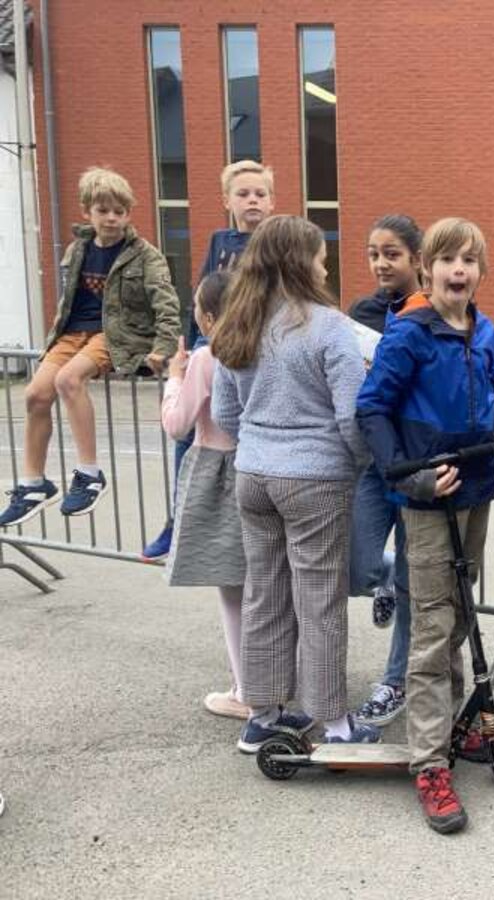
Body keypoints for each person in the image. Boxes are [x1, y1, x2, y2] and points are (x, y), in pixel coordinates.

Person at [356, 217, 494, 835]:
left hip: (476, 487)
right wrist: (407, 477)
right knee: (434, 627)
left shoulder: (483, 330)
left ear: (480, 271)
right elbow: (372, 409)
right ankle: (429, 762)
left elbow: (483, 406)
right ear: (427, 269)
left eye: (468, 260)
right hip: (428, 497)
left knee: (460, 612)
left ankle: (454, 729)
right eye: (446, 259)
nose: (457, 270)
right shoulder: (409, 333)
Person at [211, 215, 376, 752]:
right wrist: (358, 463)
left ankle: (262, 715)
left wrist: (259, 445)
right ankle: (334, 723)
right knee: (320, 601)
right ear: (301, 263)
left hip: (254, 474)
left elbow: (224, 413)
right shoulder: (329, 326)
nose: (325, 267)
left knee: (264, 595)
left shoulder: (238, 322)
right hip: (316, 477)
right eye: (321, 258)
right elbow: (352, 415)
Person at [0, 167, 179, 527]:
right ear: (87, 212)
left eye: (119, 211)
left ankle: (89, 474)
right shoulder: (77, 250)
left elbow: (166, 303)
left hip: (116, 334)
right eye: (103, 210)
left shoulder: (145, 255)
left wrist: (163, 346)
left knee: (69, 380)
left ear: (128, 214)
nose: (111, 218)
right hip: (72, 334)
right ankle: (34, 484)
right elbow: (68, 301)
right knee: (35, 395)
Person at [143, 160, 275, 560]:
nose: (252, 200)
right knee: (189, 432)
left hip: (252, 348)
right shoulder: (220, 240)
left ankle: (250, 523)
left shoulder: (275, 243)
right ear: (226, 201)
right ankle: (177, 517)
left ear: (272, 202)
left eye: (260, 194)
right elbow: (203, 297)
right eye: (243, 193)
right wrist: (184, 348)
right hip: (211, 346)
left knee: (239, 434)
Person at [159, 270, 250, 720]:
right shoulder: (263, 348)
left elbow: (177, 424)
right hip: (261, 466)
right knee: (269, 587)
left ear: (210, 317)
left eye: (196, 305)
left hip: (217, 470)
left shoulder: (205, 357)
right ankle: (277, 676)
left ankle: (245, 689)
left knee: (231, 590)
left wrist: (173, 379)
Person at [347, 214, 423, 727]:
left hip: (417, 466)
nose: (381, 263)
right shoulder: (362, 313)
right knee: (355, 565)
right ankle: (385, 576)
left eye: (391, 254)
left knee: (416, 585)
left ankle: (395, 682)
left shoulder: (433, 312)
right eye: (374, 254)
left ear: (417, 258)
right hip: (373, 464)